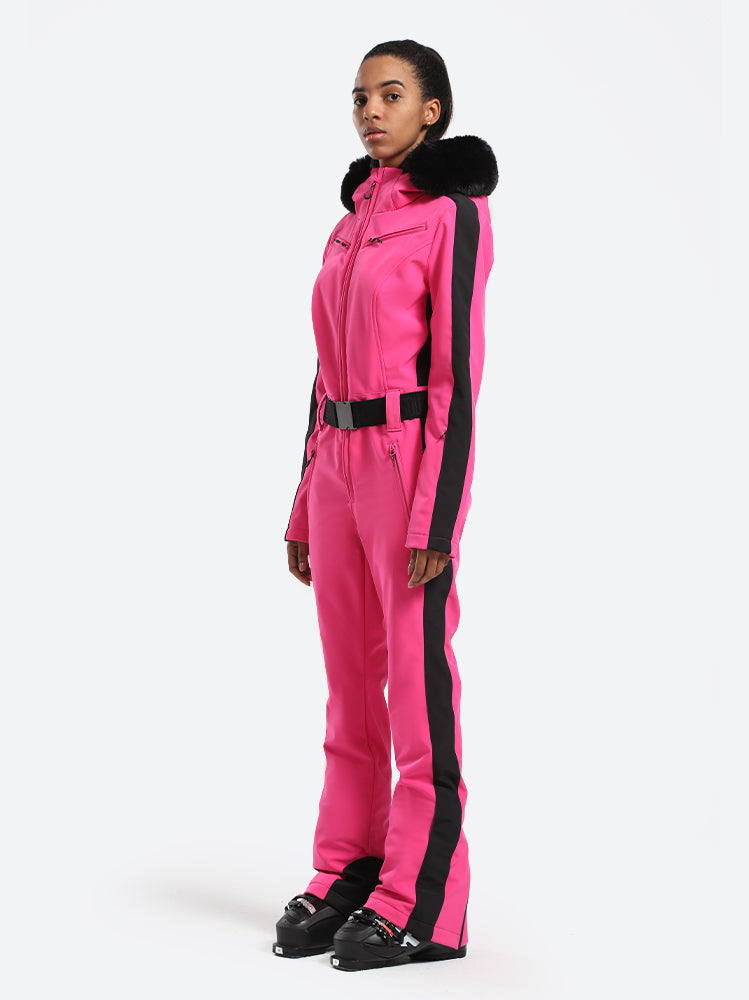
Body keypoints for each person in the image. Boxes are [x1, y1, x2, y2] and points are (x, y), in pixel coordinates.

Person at [274, 38, 497, 972]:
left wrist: (436, 518)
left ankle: (425, 903)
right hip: (336, 464)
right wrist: (302, 497)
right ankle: (350, 868)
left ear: (431, 110)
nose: (371, 110)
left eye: (392, 95)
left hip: (407, 467)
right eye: (361, 96)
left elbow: (457, 378)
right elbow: (325, 371)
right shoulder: (352, 220)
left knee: (416, 686)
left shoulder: (453, 216)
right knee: (348, 688)